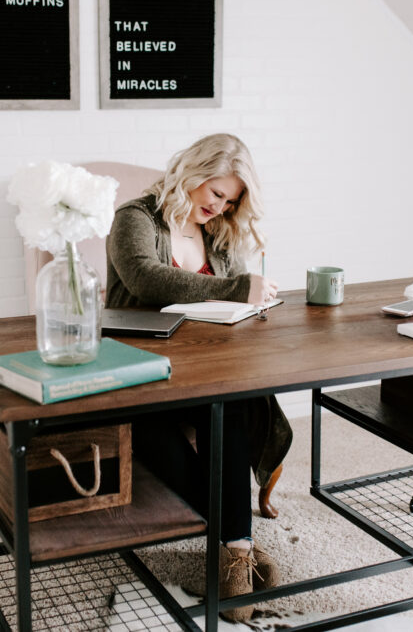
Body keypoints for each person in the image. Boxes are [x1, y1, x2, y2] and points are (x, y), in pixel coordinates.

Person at [105, 133, 293, 622]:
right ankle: (237, 550)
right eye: (215, 193)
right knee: (154, 434)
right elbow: (144, 277)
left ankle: (233, 554)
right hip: (138, 371)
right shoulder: (136, 217)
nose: (220, 206)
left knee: (228, 412)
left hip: (207, 369)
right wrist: (236, 286)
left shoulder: (223, 232)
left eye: (230, 201)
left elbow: (234, 304)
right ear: (191, 174)